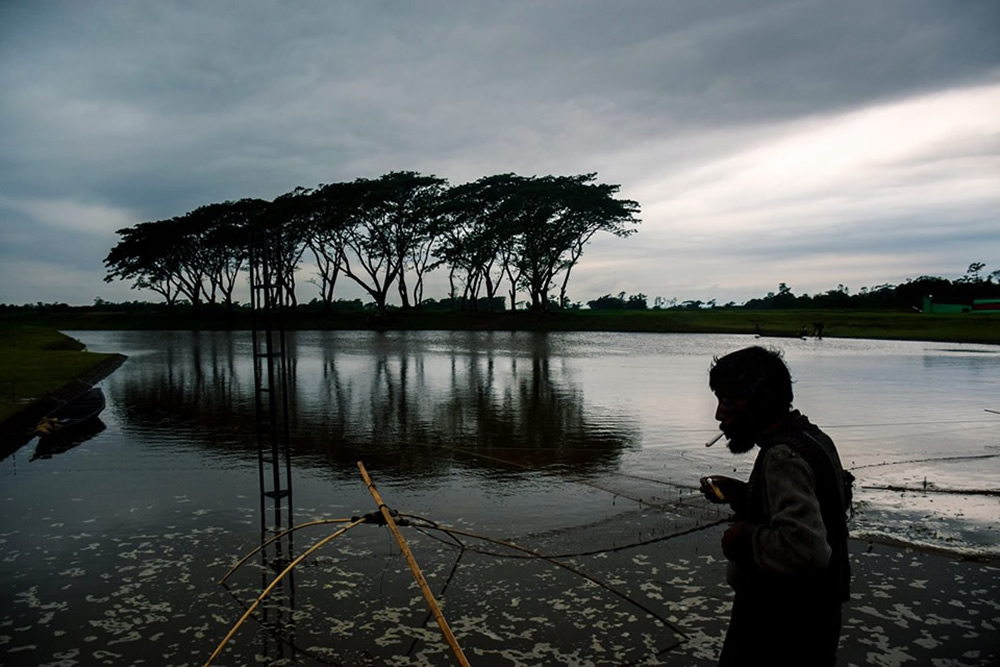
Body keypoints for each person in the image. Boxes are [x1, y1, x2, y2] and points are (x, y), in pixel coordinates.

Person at [700, 346, 851, 666]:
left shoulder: (781, 456)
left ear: (761, 402)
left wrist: (743, 538)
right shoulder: (814, 437)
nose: (718, 415)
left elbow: (805, 549)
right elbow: (822, 507)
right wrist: (743, 495)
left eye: (727, 402)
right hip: (817, 619)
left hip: (781, 627)